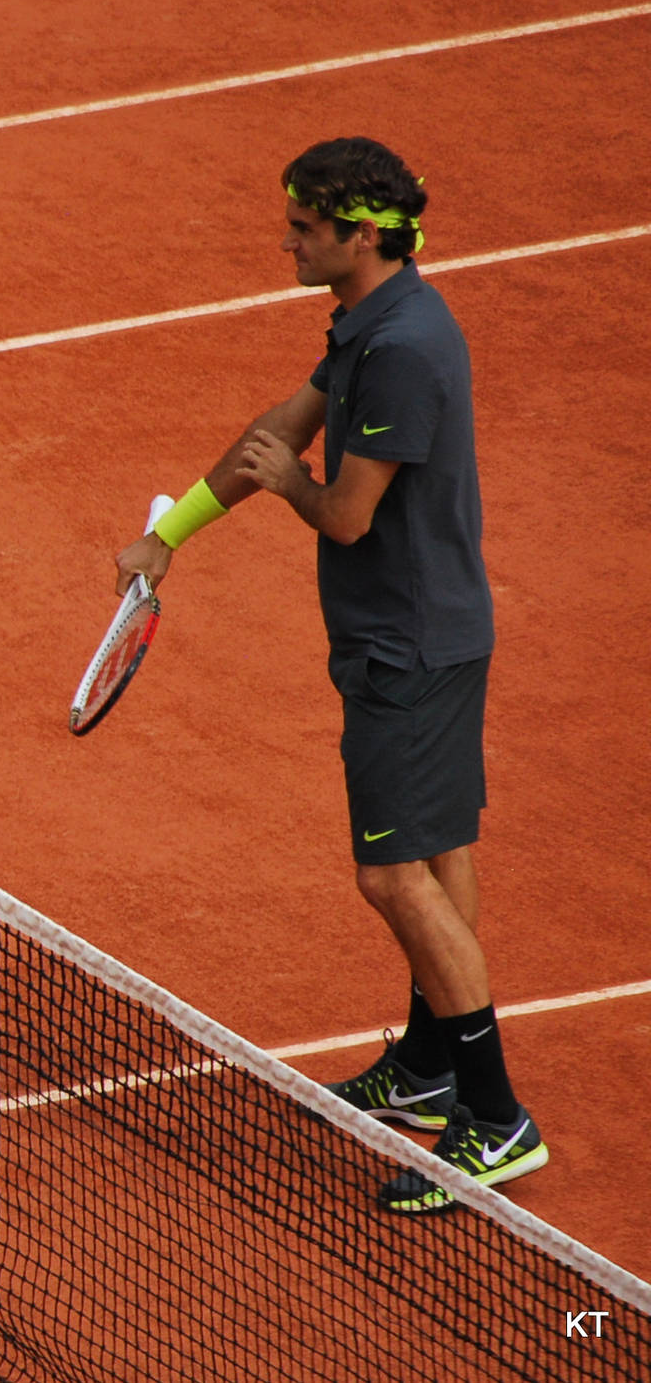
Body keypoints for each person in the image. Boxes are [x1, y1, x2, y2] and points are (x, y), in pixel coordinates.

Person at [113, 137, 546, 1213]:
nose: (287, 240)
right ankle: (432, 1064)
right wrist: (177, 534)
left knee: (392, 875)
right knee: (439, 851)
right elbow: (278, 428)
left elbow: (346, 512)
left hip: (410, 645)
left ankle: (495, 1119)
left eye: (305, 227)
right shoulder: (371, 322)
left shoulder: (405, 348)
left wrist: (292, 488)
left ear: (361, 235)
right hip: (415, 635)